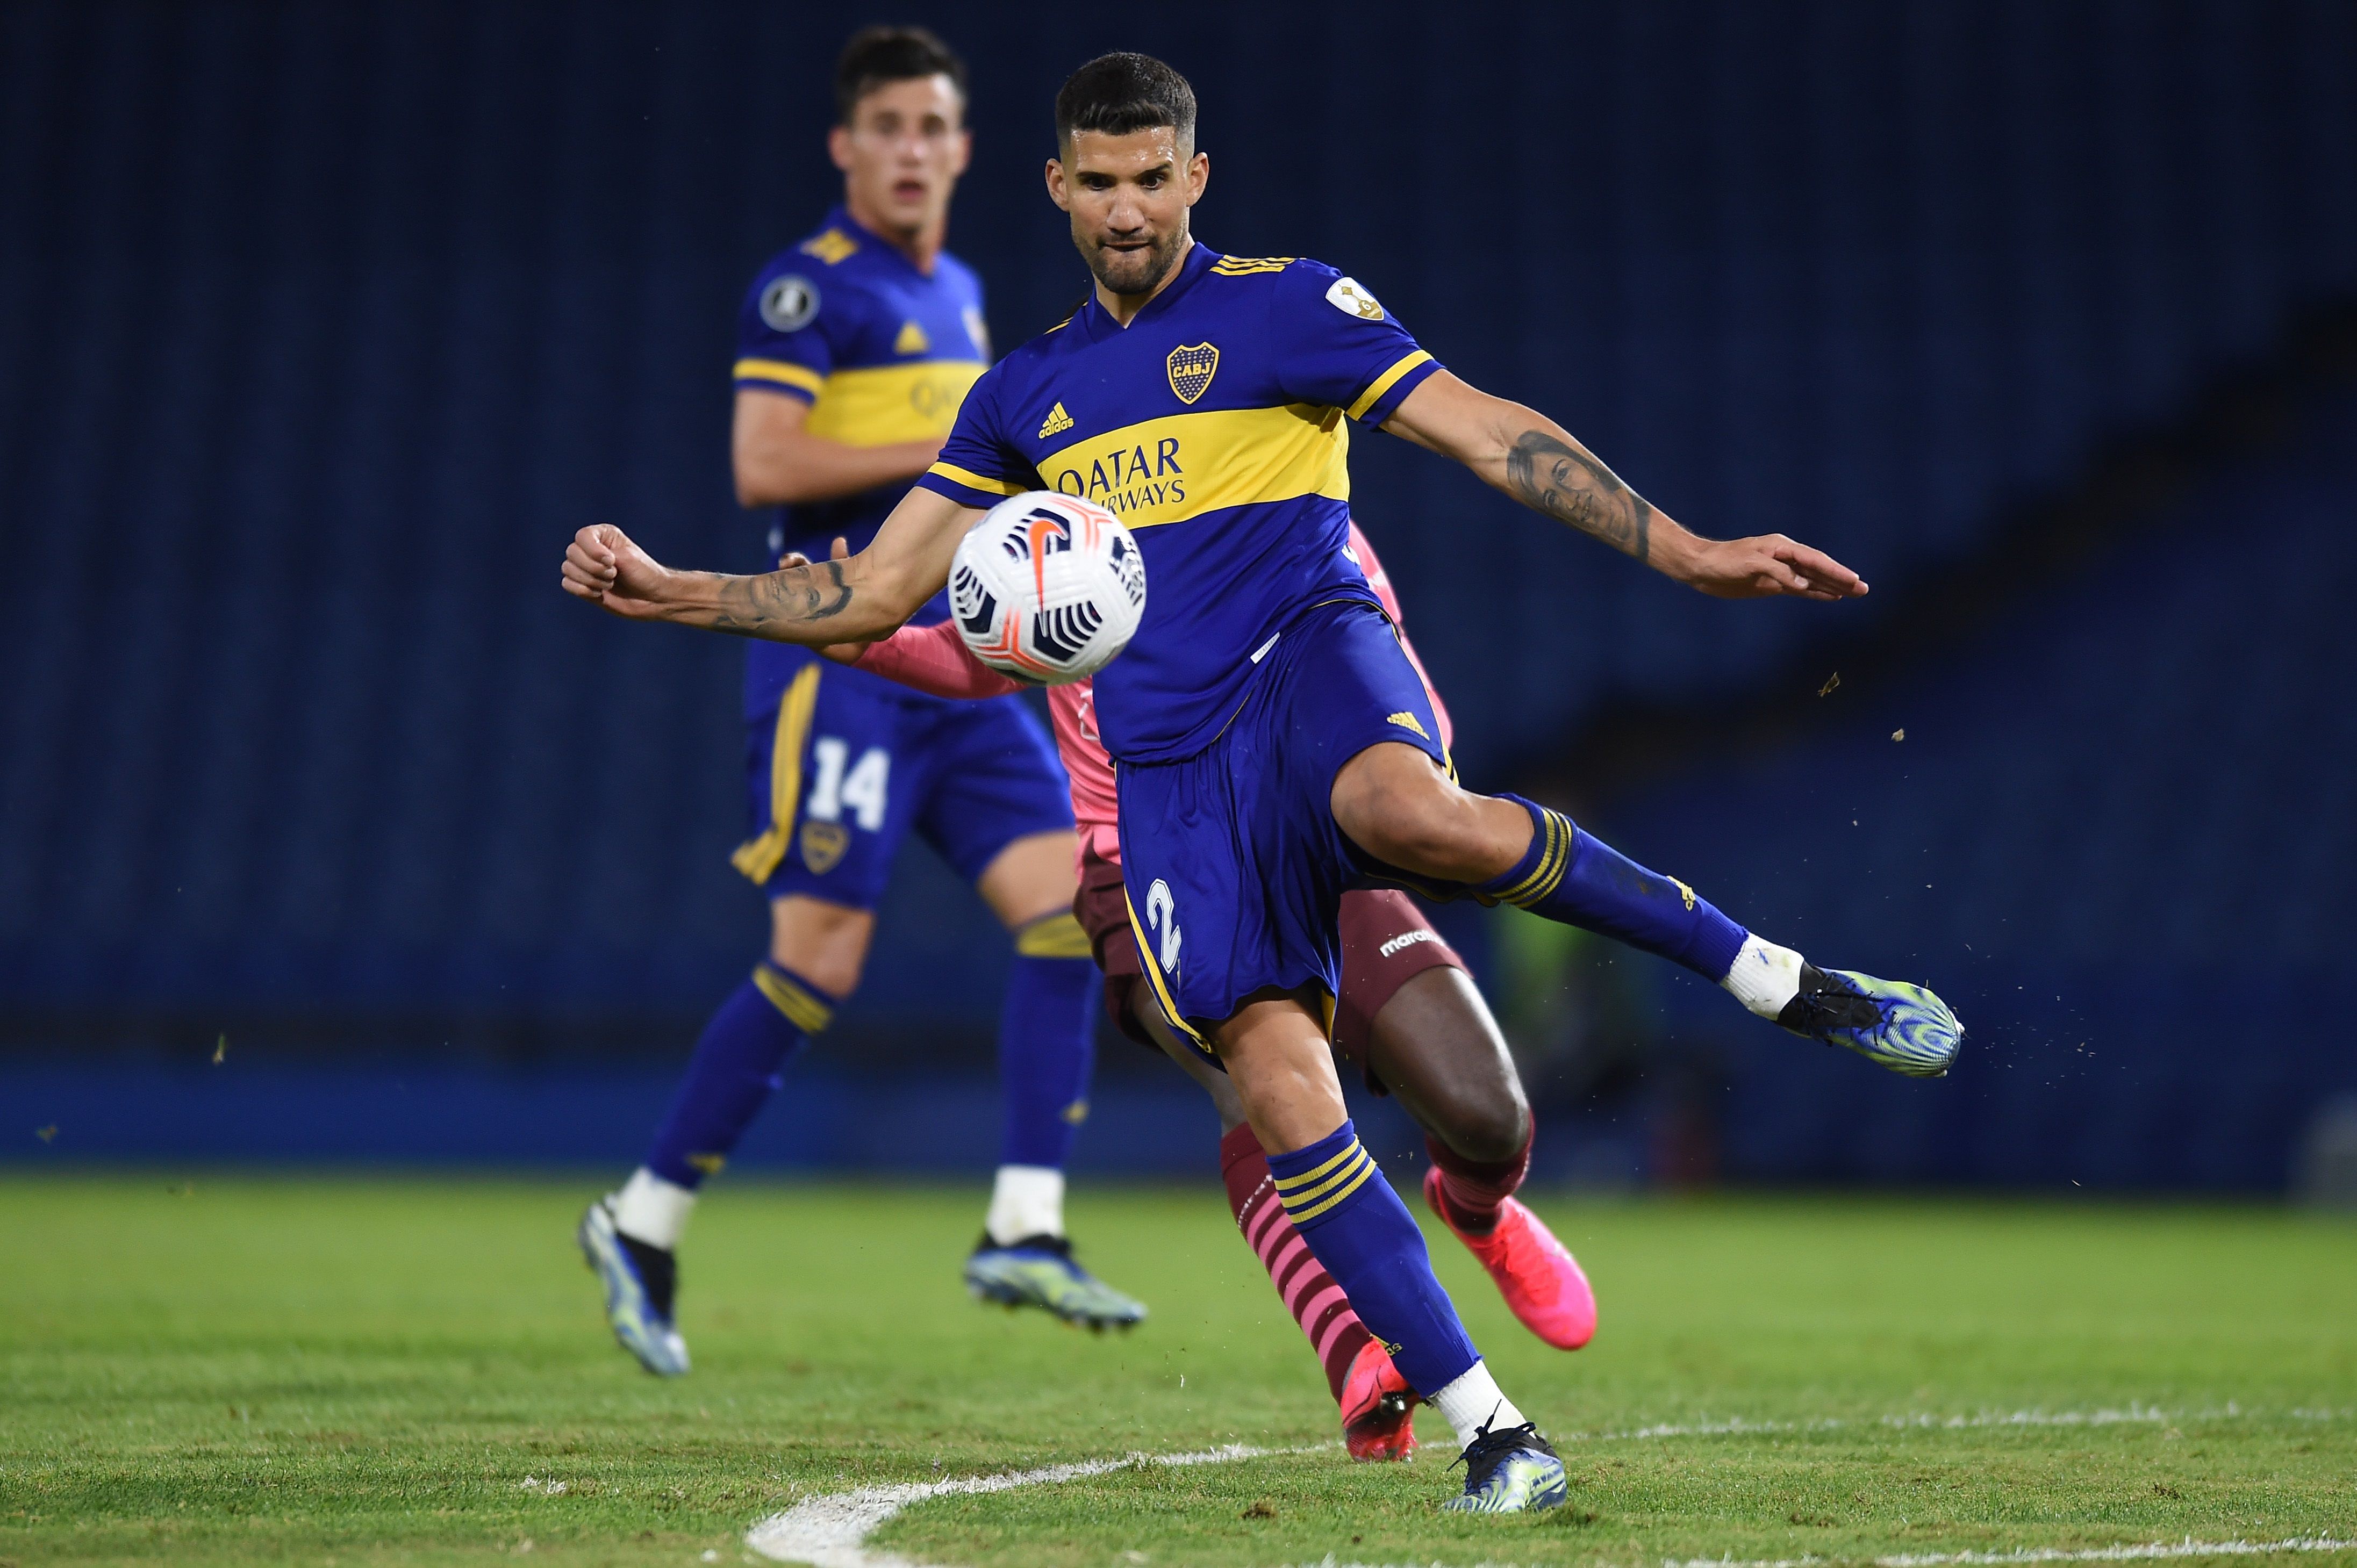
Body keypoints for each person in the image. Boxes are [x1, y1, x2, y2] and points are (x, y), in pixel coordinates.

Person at [560, 52, 1961, 1510]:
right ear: (1056, 187)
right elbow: (874, 589)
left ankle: (1786, 983)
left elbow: (1487, 430)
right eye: (1098, 182)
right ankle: (1493, 1429)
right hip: (1169, 778)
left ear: (1195, 176)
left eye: (1150, 178)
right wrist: (676, 590)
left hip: (1308, 664)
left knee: (1407, 816)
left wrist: (1687, 551)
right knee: (1284, 1088)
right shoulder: (1019, 397)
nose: (1125, 209)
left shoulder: (1290, 305)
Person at [575, 27, 1146, 1383]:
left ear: (965, 149)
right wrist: (971, 437)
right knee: (820, 959)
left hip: (963, 661)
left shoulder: (960, 289)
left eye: (932, 127)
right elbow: (763, 461)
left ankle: (1025, 1224)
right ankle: (642, 1220)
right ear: (846, 146)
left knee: (1069, 910)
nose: (909, 149)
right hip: (838, 665)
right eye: (885, 126)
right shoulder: (808, 289)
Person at [814, 519, 1596, 1465]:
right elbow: (992, 650)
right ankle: (1352, 1345)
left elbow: (1405, 699)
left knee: (1486, 1113)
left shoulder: (1298, 513)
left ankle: (1477, 1208)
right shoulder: (1070, 515)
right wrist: (872, 641)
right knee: (1253, 1083)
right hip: (1137, 860)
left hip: (1298, 835)